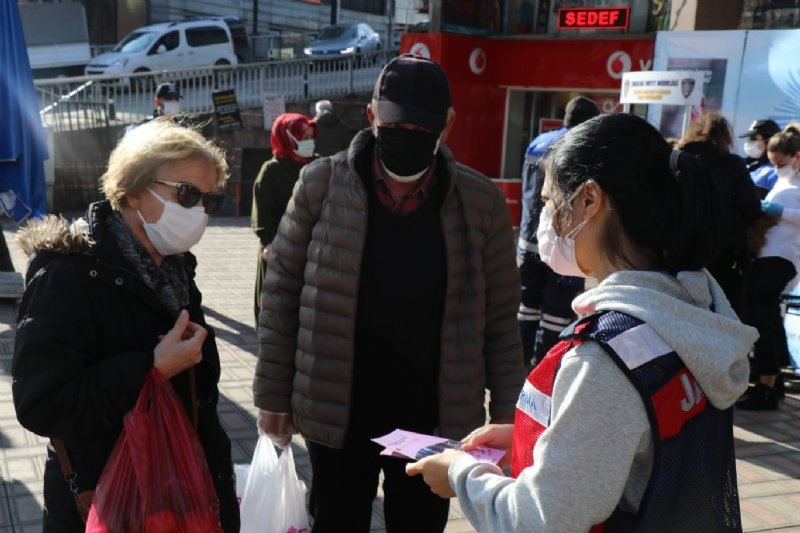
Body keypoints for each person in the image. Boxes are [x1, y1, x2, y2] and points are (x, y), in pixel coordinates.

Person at [406, 112, 758, 532]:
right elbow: (633, 439)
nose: (547, 220)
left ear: (589, 200)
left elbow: (540, 522)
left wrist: (460, 474)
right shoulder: (687, 316)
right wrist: (537, 435)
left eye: (551, 202)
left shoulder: (604, 357)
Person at [253, 54, 524, 533]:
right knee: (336, 522)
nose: (409, 139)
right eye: (398, 125)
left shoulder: (481, 204)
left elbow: (502, 321)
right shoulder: (320, 185)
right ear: (373, 116)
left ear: (448, 125)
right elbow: (281, 298)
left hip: (433, 418)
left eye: (424, 130)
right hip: (337, 409)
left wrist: (507, 420)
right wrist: (273, 396)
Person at [12, 118, 239, 532]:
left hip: (183, 496)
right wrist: (149, 369)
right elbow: (40, 404)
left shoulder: (176, 269)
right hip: (110, 502)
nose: (200, 212)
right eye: (187, 195)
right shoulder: (67, 274)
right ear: (134, 191)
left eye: (210, 200)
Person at [518, 96, 599, 367]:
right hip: (561, 244)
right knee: (555, 314)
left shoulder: (536, 143)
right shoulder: (578, 149)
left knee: (526, 308)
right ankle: (544, 371)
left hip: (528, 240)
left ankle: (518, 365)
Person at [738, 125, 800, 410]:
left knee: (763, 318)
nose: (777, 169)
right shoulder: (782, 180)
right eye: (773, 163)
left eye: (782, 163)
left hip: (782, 257)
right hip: (769, 256)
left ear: (797, 157)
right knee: (766, 318)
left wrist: (780, 212)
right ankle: (770, 384)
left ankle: (766, 384)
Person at [679, 110, 761, 316]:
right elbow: (751, 206)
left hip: (682, 248)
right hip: (725, 249)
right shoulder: (732, 164)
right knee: (724, 311)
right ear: (724, 136)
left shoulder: (678, 161)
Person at [251, 113, 317, 325]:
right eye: (303, 137)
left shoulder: (318, 165)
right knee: (273, 310)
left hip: (310, 248)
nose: (308, 143)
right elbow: (263, 211)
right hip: (278, 248)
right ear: (287, 137)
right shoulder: (272, 170)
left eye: (310, 137)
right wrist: (268, 241)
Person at [740, 118, 781, 195]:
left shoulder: (776, 172)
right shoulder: (745, 165)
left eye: (753, 138)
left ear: (770, 142)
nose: (748, 142)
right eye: (748, 138)